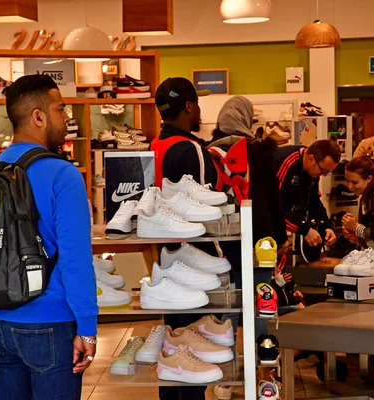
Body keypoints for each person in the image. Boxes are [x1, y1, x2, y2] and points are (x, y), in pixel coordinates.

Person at [0, 74, 98, 400]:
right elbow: (76, 258)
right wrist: (87, 329)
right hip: (50, 323)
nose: (66, 118)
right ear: (38, 117)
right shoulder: (64, 174)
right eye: (61, 109)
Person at [152, 77, 224, 400]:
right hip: (193, 261)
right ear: (189, 107)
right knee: (195, 349)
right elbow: (205, 209)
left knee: (173, 346)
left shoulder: (154, 145)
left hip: (166, 259)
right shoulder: (192, 149)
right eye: (198, 104)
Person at [210, 96, 289, 258]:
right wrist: (281, 237)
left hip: (220, 232)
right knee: (259, 281)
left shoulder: (209, 151)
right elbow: (273, 198)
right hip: (258, 229)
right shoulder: (260, 152)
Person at [275, 140, 340, 250]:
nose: (324, 175)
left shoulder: (312, 168)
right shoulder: (286, 163)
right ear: (311, 159)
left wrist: (327, 226)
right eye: (323, 171)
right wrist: (304, 230)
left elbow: (313, 200)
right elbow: (274, 208)